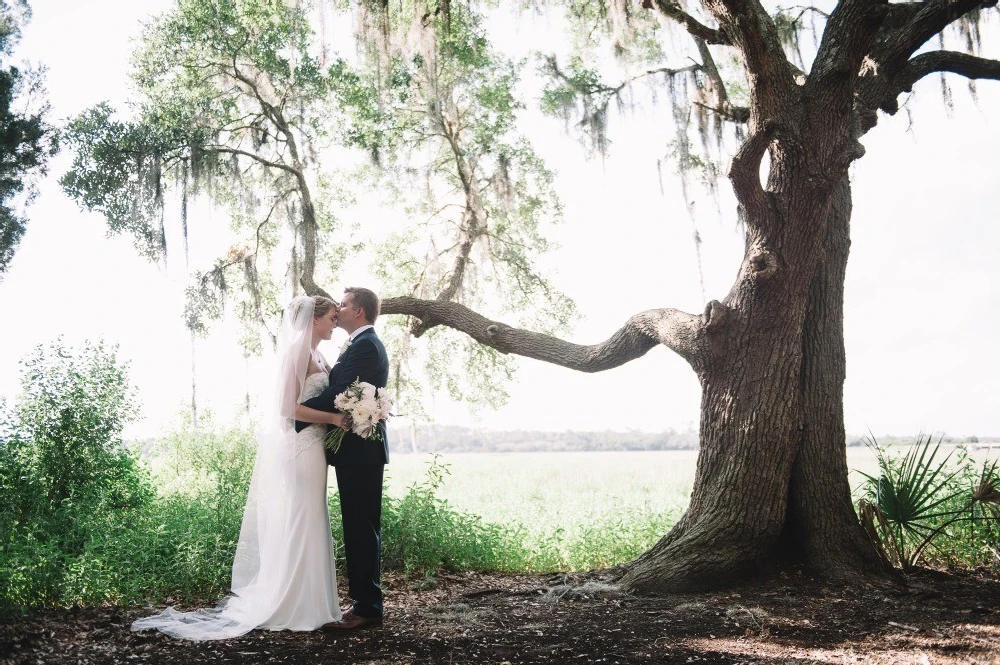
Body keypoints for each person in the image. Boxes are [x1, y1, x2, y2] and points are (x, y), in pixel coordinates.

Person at [132, 295, 346, 640]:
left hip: (317, 447)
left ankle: (315, 603)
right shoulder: (296, 353)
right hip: (302, 447)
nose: (336, 324)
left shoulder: (319, 355)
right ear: (314, 319)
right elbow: (286, 408)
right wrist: (334, 417)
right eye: (332, 318)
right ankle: (293, 603)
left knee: (312, 517)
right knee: (304, 517)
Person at [296, 286, 389, 630]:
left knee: (362, 529)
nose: (339, 309)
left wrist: (299, 415)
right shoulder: (358, 344)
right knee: (358, 528)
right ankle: (364, 603)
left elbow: (338, 395)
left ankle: (368, 609)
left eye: (344, 305)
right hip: (354, 450)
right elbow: (341, 392)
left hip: (362, 452)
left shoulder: (366, 346)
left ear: (359, 312)